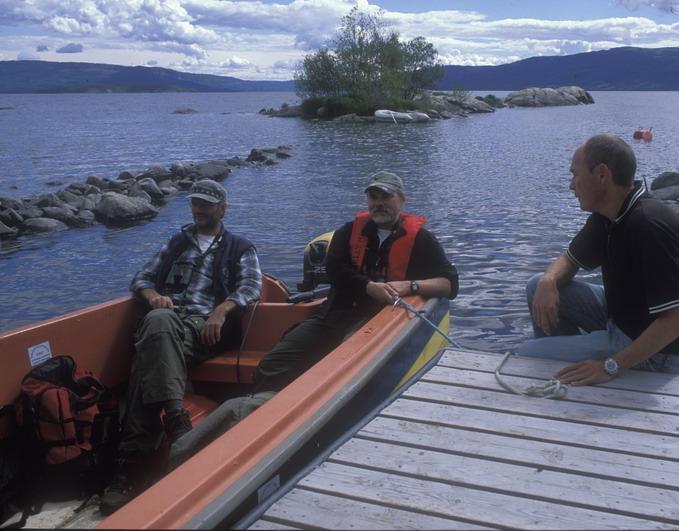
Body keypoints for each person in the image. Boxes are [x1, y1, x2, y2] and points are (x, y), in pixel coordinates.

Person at [100, 179, 262, 515]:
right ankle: (176, 418)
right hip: (168, 322)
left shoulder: (239, 247)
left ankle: (128, 469)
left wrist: (222, 309)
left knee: (148, 351)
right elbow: (141, 279)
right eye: (195, 203)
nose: (199, 209)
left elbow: (251, 287)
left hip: (205, 330)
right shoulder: (176, 242)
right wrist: (153, 296)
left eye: (206, 203)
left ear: (222, 208)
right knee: (158, 324)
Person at [253, 170, 458, 393]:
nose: (379, 203)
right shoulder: (349, 232)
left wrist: (410, 286)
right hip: (333, 316)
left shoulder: (422, 240)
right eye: (373, 197)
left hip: (383, 322)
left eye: (386, 197)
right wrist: (368, 287)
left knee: (345, 370)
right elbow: (335, 271)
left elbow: (449, 284)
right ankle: (264, 407)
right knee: (271, 365)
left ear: (402, 199)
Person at [519, 133, 679, 385]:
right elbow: (568, 261)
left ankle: (567, 377)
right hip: (622, 318)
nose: (571, 185)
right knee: (536, 284)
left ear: (602, 174)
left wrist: (609, 366)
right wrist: (549, 280)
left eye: (575, 174)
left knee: (528, 357)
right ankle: (569, 370)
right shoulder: (609, 214)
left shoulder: (648, 226)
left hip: (658, 355)